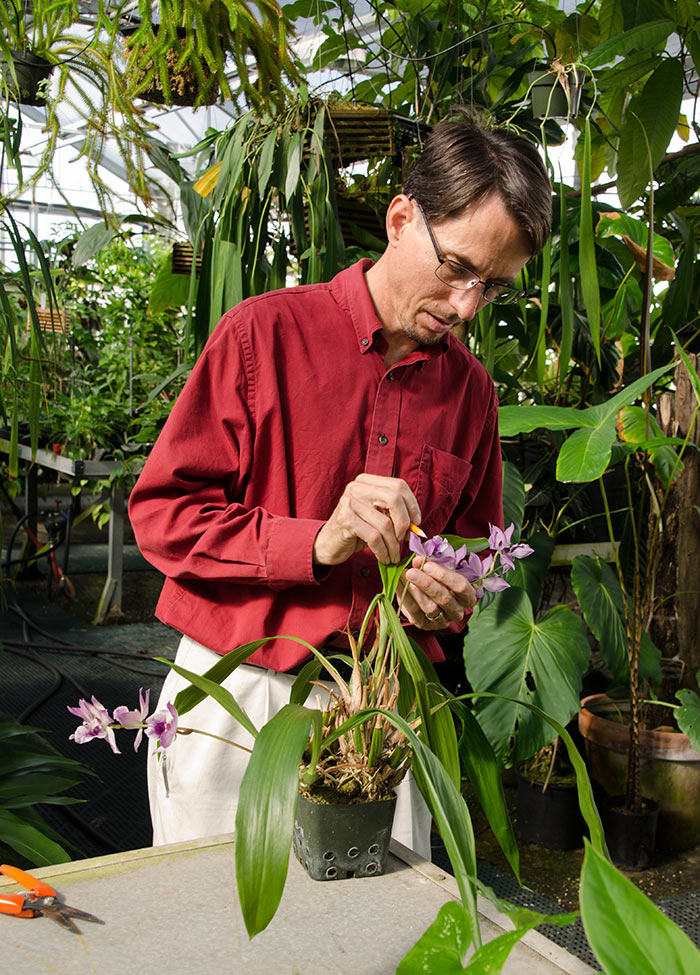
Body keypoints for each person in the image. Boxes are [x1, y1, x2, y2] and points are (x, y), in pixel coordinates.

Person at [128, 113, 552, 858]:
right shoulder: (262, 336)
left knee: (376, 944)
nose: (466, 307)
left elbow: (470, 561)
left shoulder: (472, 394)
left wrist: (445, 597)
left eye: (494, 286)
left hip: (383, 709)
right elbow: (164, 515)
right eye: (456, 267)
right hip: (237, 701)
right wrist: (315, 539)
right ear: (400, 218)